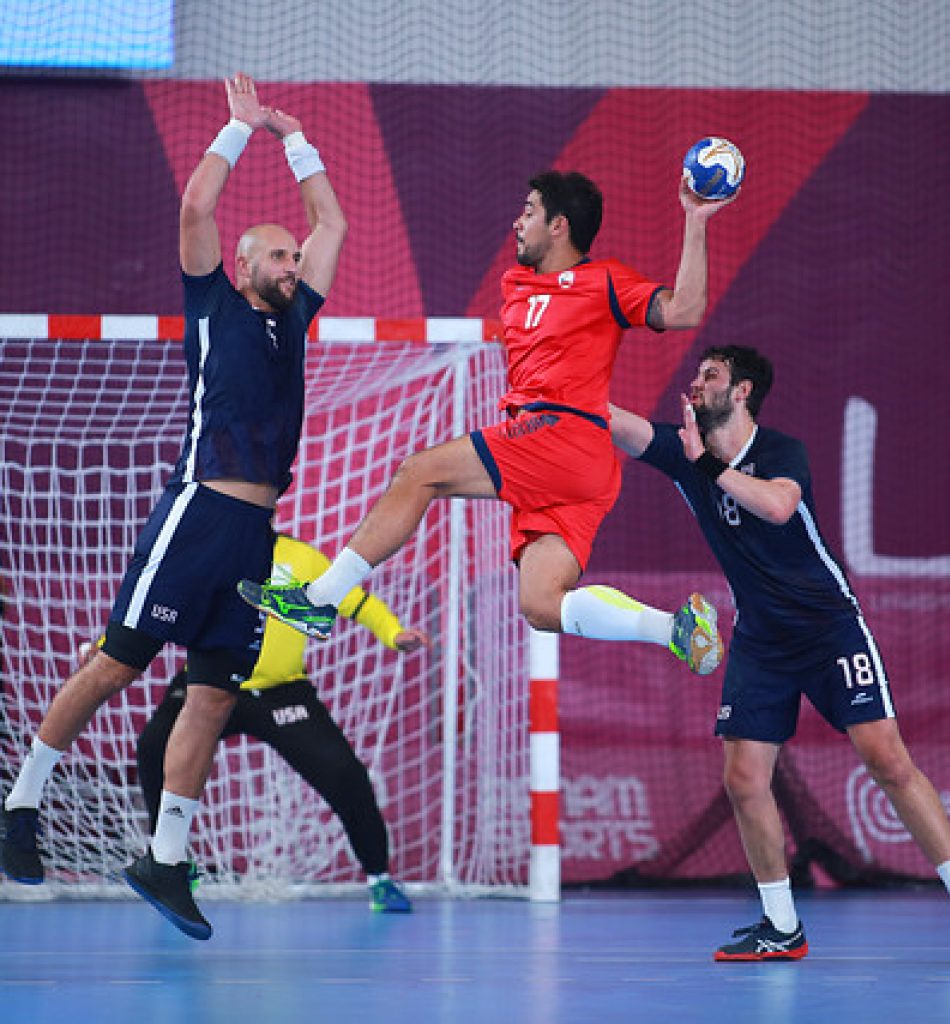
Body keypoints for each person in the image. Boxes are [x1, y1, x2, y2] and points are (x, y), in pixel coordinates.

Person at [0, 73, 346, 941]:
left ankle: (166, 857)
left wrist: (296, 141)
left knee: (214, 695)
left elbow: (333, 225)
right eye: (279, 256)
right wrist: (236, 132)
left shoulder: (296, 319)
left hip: (253, 536)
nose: (294, 264)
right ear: (243, 266)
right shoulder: (212, 305)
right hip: (197, 514)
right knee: (118, 663)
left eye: (294, 259)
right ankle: (21, 805)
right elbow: (196, 207)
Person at [608, 344, 950, 966]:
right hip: (760, 642)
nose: (695, 383)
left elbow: (777, 506)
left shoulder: (777, 451)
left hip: (830, 629)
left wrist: (708, 467)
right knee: (745, 780)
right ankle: (782, 924)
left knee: (888, 762)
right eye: (696, 374)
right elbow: (616, 423)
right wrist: (555, 386)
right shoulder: (681, 449)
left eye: (710, 375)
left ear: (741, 391)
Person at [239, 169, 731, 676]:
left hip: (560, 435)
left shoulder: (603, 281)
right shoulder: (515, 284)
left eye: (529, 211)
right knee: (542, 605)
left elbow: (686, 309)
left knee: (419, 472)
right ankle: (671, 627)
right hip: (574, 471)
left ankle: (320, 599)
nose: (517, 222)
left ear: (559, 226)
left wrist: (695, 221)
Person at [134, 532, 425, 913]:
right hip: (208, 686)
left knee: (346, 775)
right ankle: (168, 864)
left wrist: (394, 633)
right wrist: (109, 647)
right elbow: (155, 605)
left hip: (281, 694)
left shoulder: (302, 558)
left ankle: (380, 879)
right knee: (154, 747)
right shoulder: (208, 554)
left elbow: (358, 603)